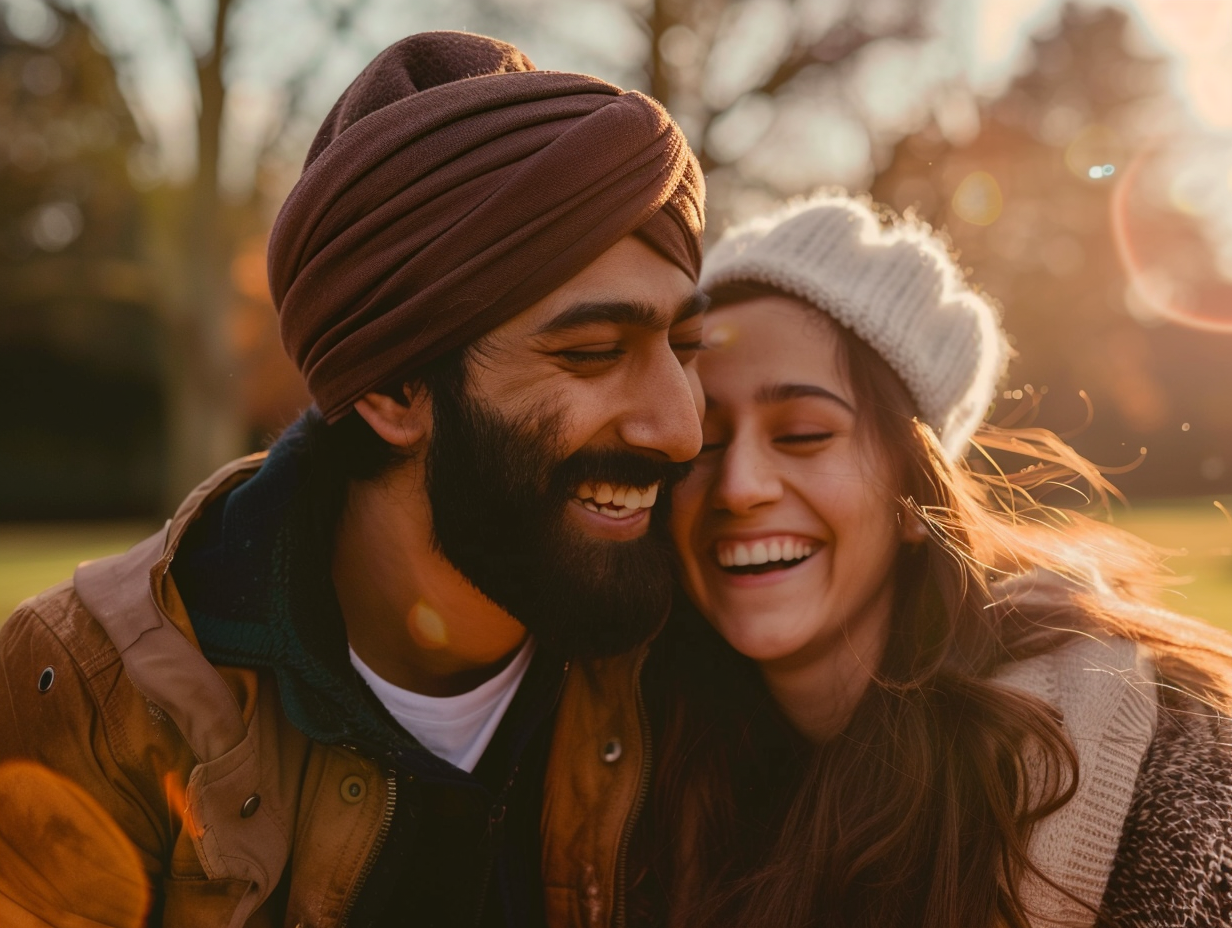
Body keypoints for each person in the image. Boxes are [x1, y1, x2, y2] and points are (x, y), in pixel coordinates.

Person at [0, 31, 707, 928]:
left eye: (685, 347)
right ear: (392, 389)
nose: (680, 427)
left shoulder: (700, 645)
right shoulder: (92, 695)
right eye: (594, 353)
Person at [540, 193, 1232, 928]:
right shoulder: (631, 765)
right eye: (705, 442)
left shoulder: (1158, 778)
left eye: (804, 434)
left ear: (914, 495)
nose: (740, 487)